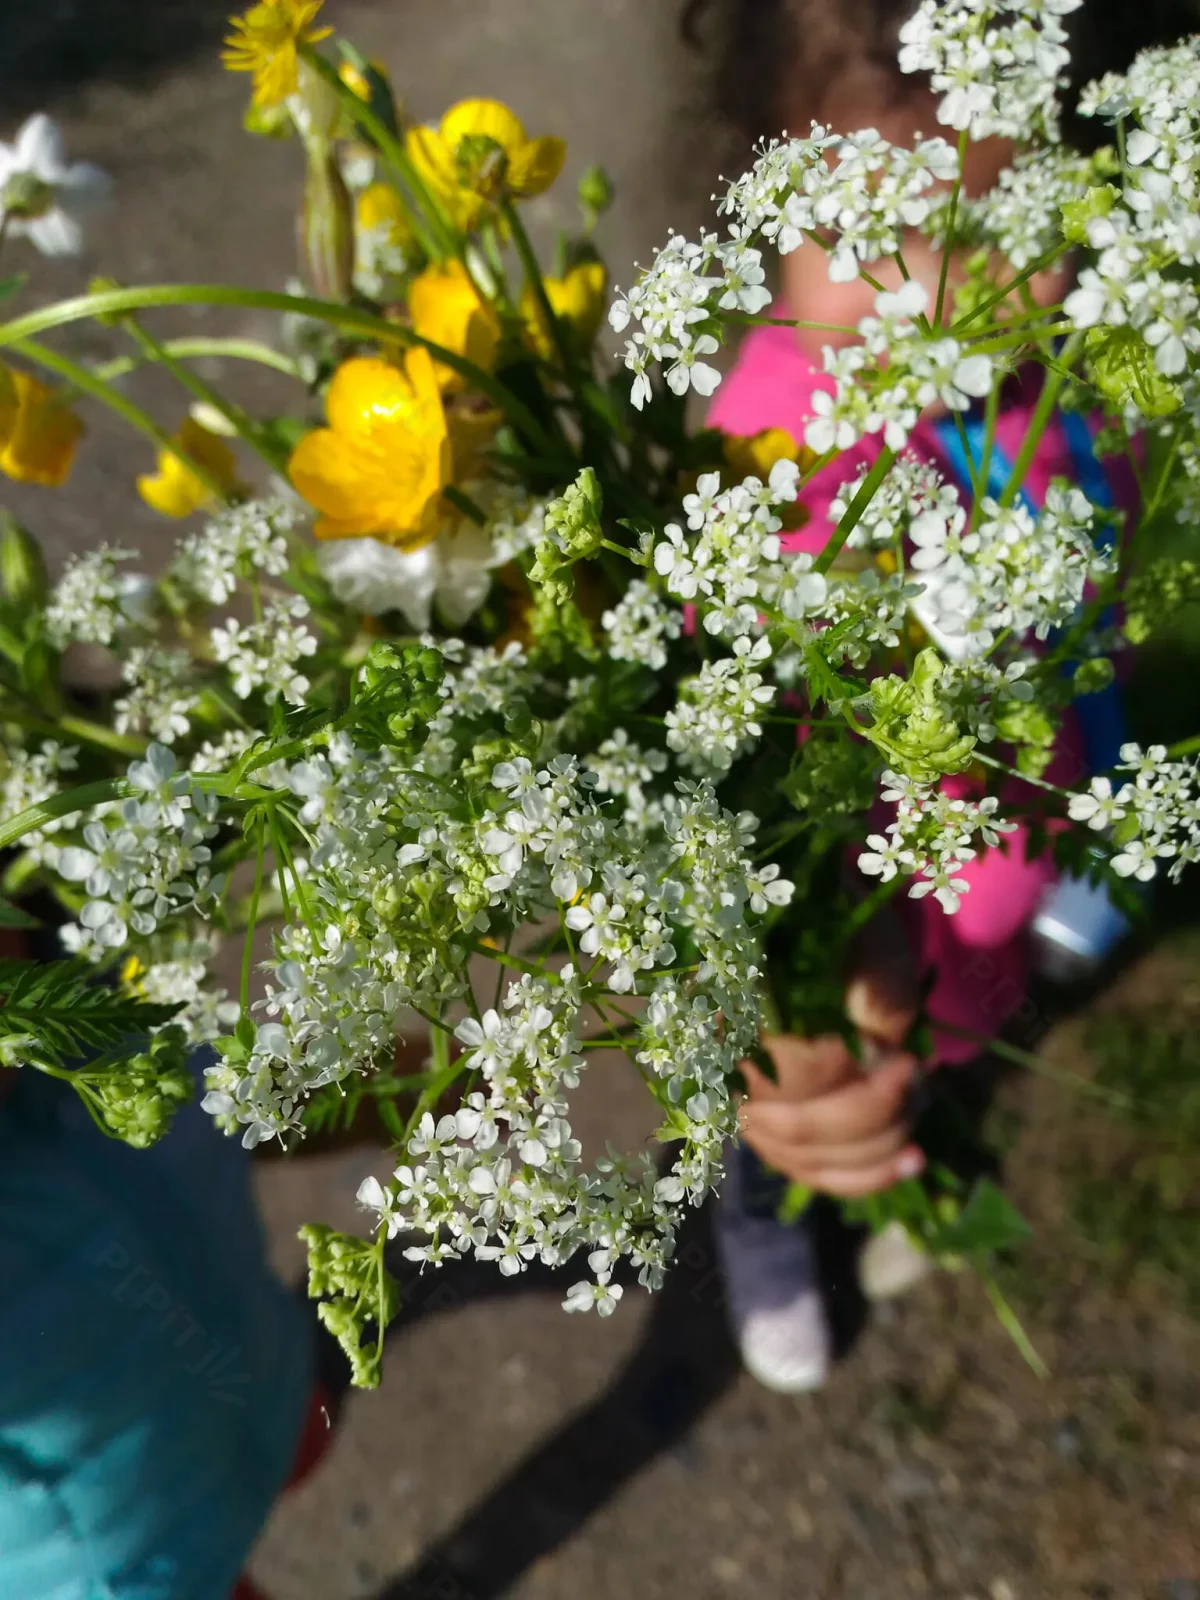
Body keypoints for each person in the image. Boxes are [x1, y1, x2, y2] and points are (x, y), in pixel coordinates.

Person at [691, 0, 1191, 1393]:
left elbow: (1105, 583)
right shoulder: (767, 449)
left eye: (990, 231)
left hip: (1004, 866)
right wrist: (776, 997)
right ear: (766, 210)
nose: (937, 297)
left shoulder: (1066, 390)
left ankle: (936, 1122)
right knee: (808, 1104)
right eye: (874, 237)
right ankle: (765, 1228)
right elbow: (719, 754)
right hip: (845, 939)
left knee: (954, 1040)